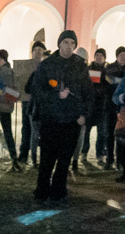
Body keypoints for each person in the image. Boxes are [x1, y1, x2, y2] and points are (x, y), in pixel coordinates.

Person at [31, 30, 91, 204]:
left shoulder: (80, 66)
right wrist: (56, 96)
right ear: (59, 44)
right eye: (66, 43)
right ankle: (42, 190)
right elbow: (37, 90)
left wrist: (84, 115)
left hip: (72, 120)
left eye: (73, 43)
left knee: (65, 160)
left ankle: (59, 190)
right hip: (51, 120)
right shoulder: (46, 65)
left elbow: (88, 93)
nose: (69, 46)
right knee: (47, 159)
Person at [101, 46, 125, 170]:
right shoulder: (110, 68)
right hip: (110, 105)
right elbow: (106, 81)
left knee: (122, 135)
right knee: (109, 134)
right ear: (117, 56)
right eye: (121, 55)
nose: (123, 57)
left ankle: (120, 161)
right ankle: (109, 159)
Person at [18, 41, 46, 166]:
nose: (39, 52)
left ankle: (38, 156)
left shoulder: (47, 67)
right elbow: (25, 86)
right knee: (27, 129)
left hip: (43, 105)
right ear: (33, 52)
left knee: (40, 131)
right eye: (37, 50)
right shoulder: (27, 66)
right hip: (29, 103)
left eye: (41, 50)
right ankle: (24, 153)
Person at [84, 48, 109, 166]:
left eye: (101, 56)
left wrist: (101, 90)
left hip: (102, 106)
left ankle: (100, 155)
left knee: (102, 133)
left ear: (104, 58)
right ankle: (83, 153)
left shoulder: (107, 70)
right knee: (86, 132)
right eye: (97, 55)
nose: (99, 57)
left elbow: (109, 85)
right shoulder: (89, 69)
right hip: (90, 106)